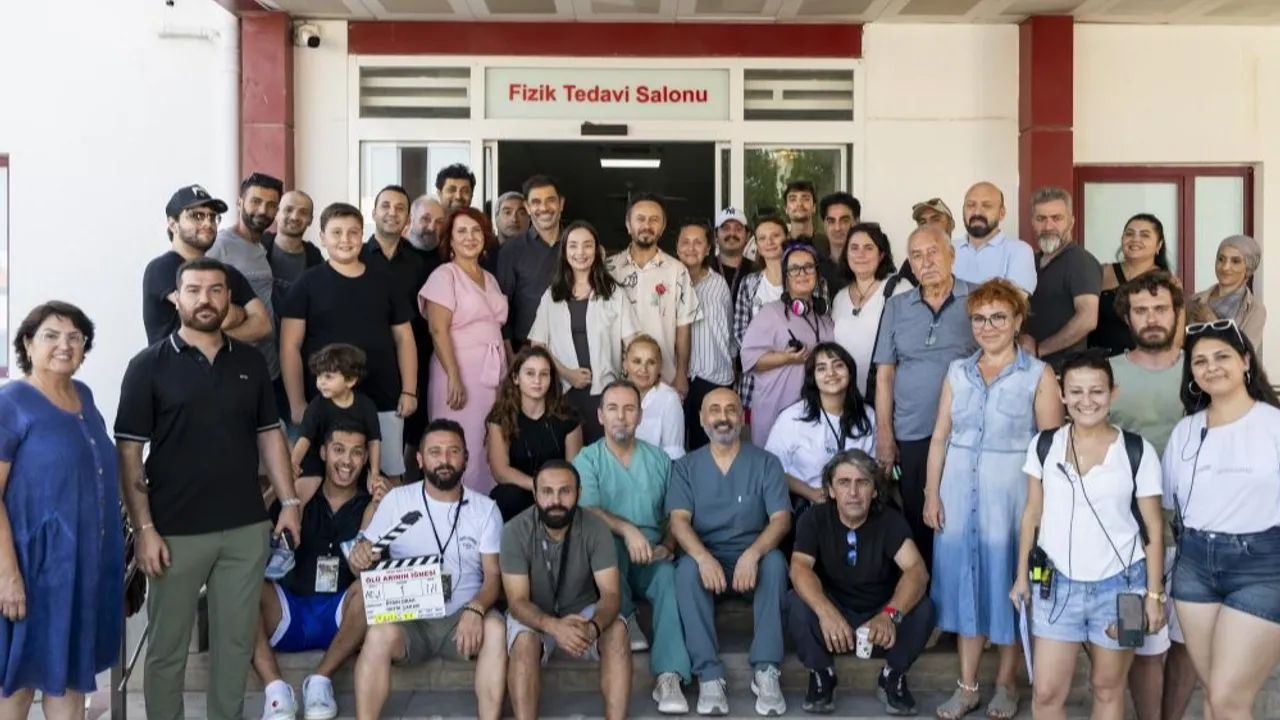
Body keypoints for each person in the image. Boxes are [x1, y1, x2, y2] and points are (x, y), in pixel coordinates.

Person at [116, 257, 301, 720]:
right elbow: (129, 454)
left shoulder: (250, 362)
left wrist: (290, 502)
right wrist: (144, 529)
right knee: (167, 649)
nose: (205, 299)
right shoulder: (147, 366)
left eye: (216, 290)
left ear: (228, 299)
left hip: (245, 528)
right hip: (174, 531)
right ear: (176, 299)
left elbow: (269, 436)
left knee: (234, 646)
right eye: (194, 290)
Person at [924, 278, 1062, 720]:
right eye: (979, 318)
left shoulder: (1038, 375)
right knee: (964, 586)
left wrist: (1042, 510)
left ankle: (1007, 683)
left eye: (998, 317)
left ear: (1017, 321)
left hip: (1011, 500)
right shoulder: (957, 372)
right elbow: (940, 436)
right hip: (957, 496)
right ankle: (966, 686)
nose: (988, 326)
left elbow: (1051, 447)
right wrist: (931, 493)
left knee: (1008, 587)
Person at [1013, 351, 1167, 720]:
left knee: (1107, 687)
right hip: (1055, 586)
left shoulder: (1137, 451)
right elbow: (1032, 513)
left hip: (1124, 587)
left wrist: (1153, 595)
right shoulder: (1044, 446)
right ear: (1062, 395)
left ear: (1113, 392)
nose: (1087, 401)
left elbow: (1153, 527)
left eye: (1097, 391)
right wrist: (1021, 577)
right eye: (1076, 391)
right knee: (1046, 693)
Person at [0, 302, 122, 718]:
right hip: (29, 569)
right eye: (50, 336)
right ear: (27, 344)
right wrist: (8, 576)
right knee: (17, 679)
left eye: (75, 337)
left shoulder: (83, 395)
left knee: (70, 674)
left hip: (81, 569)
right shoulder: (12, 402)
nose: (64, 345)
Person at [350, 419, 507, 720]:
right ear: (420, 459)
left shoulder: (485, 509)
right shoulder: (397, 501)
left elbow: (493, 577)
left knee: (497, 629)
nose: (444, 460)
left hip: (461, 618)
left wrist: (476, 609)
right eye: (435, 452)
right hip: (410, 619)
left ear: (466, 458)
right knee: (378, 634)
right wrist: (360, 558)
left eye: (453, 451)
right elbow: (363, 561)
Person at [1164, 320, 1280, 720]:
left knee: (1229, 698)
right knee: (1216, 698)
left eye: (1222, 357)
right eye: (1200, 361)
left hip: (1262, 567)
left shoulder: (1274, 424)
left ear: (1245, 361)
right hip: (1194, 565)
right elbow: (1172, 502)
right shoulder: (1185, 431)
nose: (1211, 367)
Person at [1107, 271, 1197, 720]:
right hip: (1127, 538)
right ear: (1128, 318)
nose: (1152, 318)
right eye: (1140, 310)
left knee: (1187, 642)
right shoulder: (1108, 373)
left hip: (1196, 536)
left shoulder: (1201, 367)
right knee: (1139, 643)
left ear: (1177, 312)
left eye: (1161, 308)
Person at [668, 388, 791, 717]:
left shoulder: (765, 463)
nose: (723, 418)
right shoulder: (686, 467)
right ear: (701, 418)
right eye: (714, 410)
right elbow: (678, 522)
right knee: (685, 570)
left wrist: (753, 554)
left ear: (742, 417)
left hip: (752, 556)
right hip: (707, 558)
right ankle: (709, 675)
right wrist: (702, 557)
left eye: (730, 409)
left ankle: (766, 670)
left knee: (776, 563)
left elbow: (781, 520)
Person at [786, 450, 935, 716]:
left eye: (862, 482)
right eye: (844, 483)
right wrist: (826, 612)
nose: (853, 492)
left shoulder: (890, 520)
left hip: (879, 623)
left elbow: (917, 571)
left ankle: (892, 676)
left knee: (924, 608)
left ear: (875, 490)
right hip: (832, 622)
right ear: (831, 490)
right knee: (795, 601)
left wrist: (889, 615)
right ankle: (822, 674)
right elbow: (799, 568)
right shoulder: (814, 518)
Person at [280, 202, 418, 483]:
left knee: (386, 476)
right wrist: (297, 402)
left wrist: (409, 390)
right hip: (326, 399)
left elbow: (404, 338)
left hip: (383, 396)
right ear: (322, 238)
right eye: (337, 232)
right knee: (324, 476)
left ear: (362, 235)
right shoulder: (306, 284)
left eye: (353, 232)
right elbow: (289, 346)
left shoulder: (386, 281)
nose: (345, 239)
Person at [576, 379, 691, 714]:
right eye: (613, 409)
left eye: (629, 409)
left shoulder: (659, 460)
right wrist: (627, 530)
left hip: (651, 554)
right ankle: (626, 616)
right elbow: (588, 510)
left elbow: (675, 514)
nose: (621, 416)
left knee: (669, 577)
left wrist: (668, 544)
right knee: (608, 554)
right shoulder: (588, 459)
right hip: (608, 552)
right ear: (600, 416)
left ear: (640, 416)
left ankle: (669, 675)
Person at [254, 424, 380, 720]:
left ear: (365, 459)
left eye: (356, 453)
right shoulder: (299, 497)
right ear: (323, 452)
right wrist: (281, 488)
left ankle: (321, 680)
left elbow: (366, 569)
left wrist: (380, 504)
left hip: (340, 617)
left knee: (371, 590)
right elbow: (255, 523)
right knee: (242, 586)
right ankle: (276, 690)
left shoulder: (369, 506)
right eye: (338, 450)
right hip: (287, 610)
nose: (347, 461)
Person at [872, 226, 978, 575]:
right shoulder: (896, 306)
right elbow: (885, 374)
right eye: (916, 256)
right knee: (921, 519)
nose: (926, 262)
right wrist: (885, 435)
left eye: (933, 252)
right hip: (913, 431)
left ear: (952, 255)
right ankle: (925, 596)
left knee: (963, 519)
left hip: (966, 433)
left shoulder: (979, 299)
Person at [500, 461, 631, 720]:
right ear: (535, 494)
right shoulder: (515, 530)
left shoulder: (596, 527)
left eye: (565, 491)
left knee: (617, 631)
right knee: (523, 642)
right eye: (547, 491)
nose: (556, 501)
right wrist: (553, 626)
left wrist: (592, 628)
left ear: (579, 493)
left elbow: (611, 595)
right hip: (536, 614)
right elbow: (517, 601)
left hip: (583, 612)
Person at [420, 207, 511, 494]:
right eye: (461, 231)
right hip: (459, 372)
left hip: (492, 375)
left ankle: (485, 507)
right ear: (450, 239)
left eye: (476, 231)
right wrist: (454, 376)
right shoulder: (444, 275)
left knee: (490, 442)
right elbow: (438, 330)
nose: (470, 237)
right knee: (461, 443)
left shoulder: (489, 278)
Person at [528, 220, 639, 445]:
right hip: (563, 391)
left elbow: (632, 342)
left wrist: (629, 384)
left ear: (597, 251)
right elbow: (538, 346)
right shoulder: (552, 295)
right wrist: (568, 374)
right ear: (564, 251)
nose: (580, 252)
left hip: (605, 393)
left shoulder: (613, 293)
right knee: (568, 454)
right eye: (573, 245)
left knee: (604, 451)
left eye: (587, 245)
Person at [142, 184, 271, 345]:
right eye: (197, 216)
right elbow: (220, 318)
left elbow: (263, 325)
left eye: (212, 217)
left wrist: (217, 341)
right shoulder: (162, 268)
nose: (208, 223)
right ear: (173, 224)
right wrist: (240, 313)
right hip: (174, 361)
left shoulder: (227, 272)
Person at [741, 243, 836, 447]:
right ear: (785, 276)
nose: (802, 274)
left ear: (817, 274)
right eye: (794, 269)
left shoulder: (825, 319)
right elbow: (749, 360)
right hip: (776, 411)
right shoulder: (770, 313)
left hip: (816, 414)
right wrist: (785, 358)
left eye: (808, 267)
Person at [607, 193, 699, 399]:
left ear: (663, 227)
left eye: (654, 220)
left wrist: (681, 374)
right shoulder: (608, 270)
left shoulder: (677, 271)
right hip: (616, 380)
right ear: (628, 225)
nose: (647, 225)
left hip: (664, 380)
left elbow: (683, 327)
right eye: (640, 219)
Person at [766, 342, 875, 509]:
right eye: (821, 368)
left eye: (838, 365)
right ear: (813, 378)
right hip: (810, 505)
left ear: (850, 372)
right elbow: (770, 469)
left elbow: (877, 468)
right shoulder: (792, 418)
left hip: (858, 505)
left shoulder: (868, 415)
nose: (831, 373)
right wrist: (811, 493)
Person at [487, 346, 584, 521]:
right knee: (508, 496)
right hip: (519, 491)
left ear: (551, 379)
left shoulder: (568, 418)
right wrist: (538, 486)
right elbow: (500, 472)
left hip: (558, 492)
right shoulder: (501, 418)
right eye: (530, 373)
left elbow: (574, 471)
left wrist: (552, 490)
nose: (537, 381)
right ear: (516, 378)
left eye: (544, 374)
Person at [208, 172, 285, 384]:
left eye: (271, 205)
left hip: (268, 368)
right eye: (256, 201)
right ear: (239, 203)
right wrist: (216, 341)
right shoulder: (219, 246)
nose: (263, 210)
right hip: (234, 372)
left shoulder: (260, 247)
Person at [290, 343, 383, 501]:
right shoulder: (316, 405)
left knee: (378, 489)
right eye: (319, 376)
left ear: (350, 380)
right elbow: (304, 438)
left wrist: (374, 472)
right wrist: (294, 463)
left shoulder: (366, 406)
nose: (321, 382)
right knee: (305, 488)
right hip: (317, 458)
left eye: (328, 377)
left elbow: (374, 441)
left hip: (352, 458)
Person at [1024, 186, 1102, 372]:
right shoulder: (1028, 261)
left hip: (1064, 371)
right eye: (1041, 219)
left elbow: (1088, 319)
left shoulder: (1081, 261)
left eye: (1057, 218)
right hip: (1028, 368)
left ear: (1071, 222)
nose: (1048, 226)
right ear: (1033, 222)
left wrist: (1041, 350)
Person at [675, 218, 736, 451]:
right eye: (685, 242)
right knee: (674, 447)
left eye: (698, 242)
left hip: (713, 377)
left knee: (709, 449)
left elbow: (728, 333)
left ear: (708, 248)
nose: (691, 248)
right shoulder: (667, 282)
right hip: (675, 377)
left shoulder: (718, 284)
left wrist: (734, 374)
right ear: (677, 247)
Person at [830, 222, 909, 399]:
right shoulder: (839, 298)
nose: (860, 254)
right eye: (854, 248)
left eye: (868, 248)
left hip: (887, 395)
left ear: (881, 254)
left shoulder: (900, 289)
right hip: (846, 397)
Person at [1089, 213, 1178, 356]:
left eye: (1145, 235)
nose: (1135, 239)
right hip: (1097, 360)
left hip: (1143, 362)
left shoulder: (1168, 282)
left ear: (1159, 245)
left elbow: (1176, 338)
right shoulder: (1102, 272)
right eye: (1129, 234)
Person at [498, 175, 565, 350]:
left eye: (550, 200)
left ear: (561, 204)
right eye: (536, 202)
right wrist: (510, 353)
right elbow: (501, 307)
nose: (543, 208)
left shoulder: (577, 246)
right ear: (527, 207)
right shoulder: (511, 250)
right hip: (527, 350)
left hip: (571, 348)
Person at [734, 215, 790, 420]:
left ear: (787, 238)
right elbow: (740, 333)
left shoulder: (807, 279)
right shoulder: (749, 283)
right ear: (756, 245)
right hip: (755, 382)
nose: (769, 242)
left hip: (795, 379)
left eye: (775, 235)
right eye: (763, 238)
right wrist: (771, 358)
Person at [951, 182, 1037, 293]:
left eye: (986, 206)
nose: (977, 212)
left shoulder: (1020, 251)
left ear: (1002, 213)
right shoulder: (947, 248)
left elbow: (1014, 300)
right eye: (971, 205)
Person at [1188, 234, 1266, 353]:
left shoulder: (1255, 309)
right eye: (1221, 259)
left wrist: (1213, 322)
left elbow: (1245, 353)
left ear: (1249, 267)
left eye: (1235, 261)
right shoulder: (1194, 300)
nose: (1225, 267)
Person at [623, 335, 685, 460]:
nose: (643, 369)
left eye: (651, 362)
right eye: (637, 361)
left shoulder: (669, 399)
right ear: (625, 364)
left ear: (659, 367)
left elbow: (674, 453)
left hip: (656, 470)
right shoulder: (617, 395)